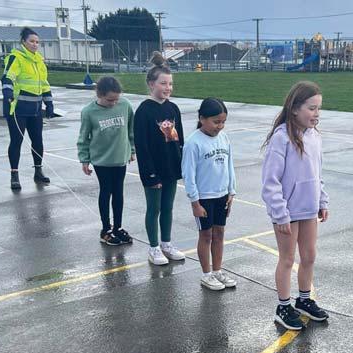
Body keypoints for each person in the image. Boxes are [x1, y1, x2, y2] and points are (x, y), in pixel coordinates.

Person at [261, 81, 330, 331]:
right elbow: (270, 182)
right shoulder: (281, 138)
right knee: (288, 259)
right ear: (294, 109)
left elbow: (317, 172)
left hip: (309, 209)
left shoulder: (315, 137)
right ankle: (283, 306)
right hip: (287, 213)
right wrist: (280, 213)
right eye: (311, 108)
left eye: (318, 108)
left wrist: (322, 200)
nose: (316, 114)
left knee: (309, 256)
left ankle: (303, 300)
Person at [134, 52, 186, 266]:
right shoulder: (144, 111)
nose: (168, 88)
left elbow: (180, 139)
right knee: (154, 208)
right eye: (163, 83)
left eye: (170, 84)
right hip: (153, 171)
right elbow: (142, 146)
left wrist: (181, 164)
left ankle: (166, 243)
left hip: (170, 168)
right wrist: (150, 174)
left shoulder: (173, 108)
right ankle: (154, 247)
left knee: (167, 207)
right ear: (151, 84)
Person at [182, 98, 237, 291]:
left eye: (223, 122)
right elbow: (188, 175)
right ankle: (206, 274)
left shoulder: (224, 138)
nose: (220, 126)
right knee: (206, 235)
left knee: (219, 233)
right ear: (202, 119)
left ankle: (217, 270)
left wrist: (231, 191)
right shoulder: (193, 143)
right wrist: (195, 202)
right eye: (216, 122)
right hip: (204, 197)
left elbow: (229, 166)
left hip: (222, 195)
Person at [77, 76, 135, 246]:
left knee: (118, 192)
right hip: (102, 160)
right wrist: (84, 159)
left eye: (116, 99)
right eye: (110, 100)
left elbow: (131, 130)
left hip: (120, 158)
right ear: (100, 95)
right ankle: (105, 229)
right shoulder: (89, 112)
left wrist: (132, 150)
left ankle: (118, 227)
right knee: (106, 191)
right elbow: (83, 138)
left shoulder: (125, 105)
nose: (114, 103)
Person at [1, 27, 53, 190]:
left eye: (37, 42)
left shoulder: (39, 61)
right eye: (31, 41)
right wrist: (7, 92)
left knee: (38, 141)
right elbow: (8, 77)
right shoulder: (16, 57)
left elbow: (44, 83)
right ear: (23, 42)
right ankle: (14, 175)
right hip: (18, 109)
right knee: (16, 141)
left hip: (35, 110)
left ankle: (38, 171)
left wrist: (49, 103)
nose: (35, 44)